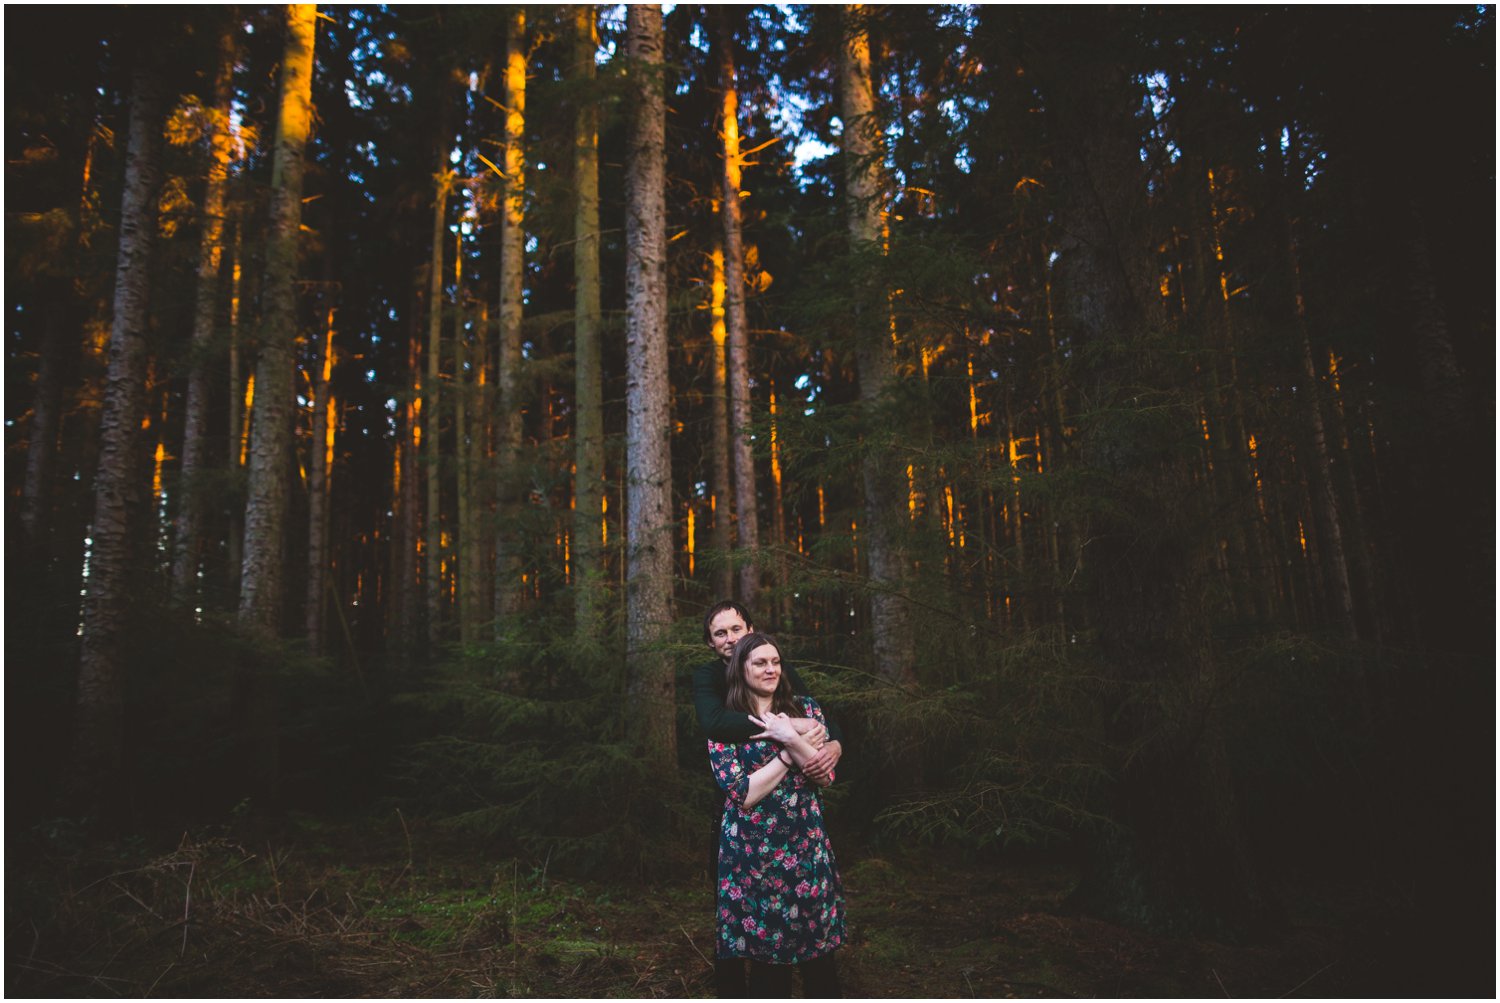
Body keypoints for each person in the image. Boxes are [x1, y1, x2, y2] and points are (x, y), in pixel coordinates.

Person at [708, 632, 844, 997]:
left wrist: (789, 731)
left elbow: (825, 776)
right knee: (768, 965)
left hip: (804, 847)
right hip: (751, 856)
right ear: (741, 668)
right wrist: (786, 750)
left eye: (775, 662)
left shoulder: (807, 709)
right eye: (760, 663)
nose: (770, 669)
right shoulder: (725, 723)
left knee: (820, 958)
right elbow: (744, 793)